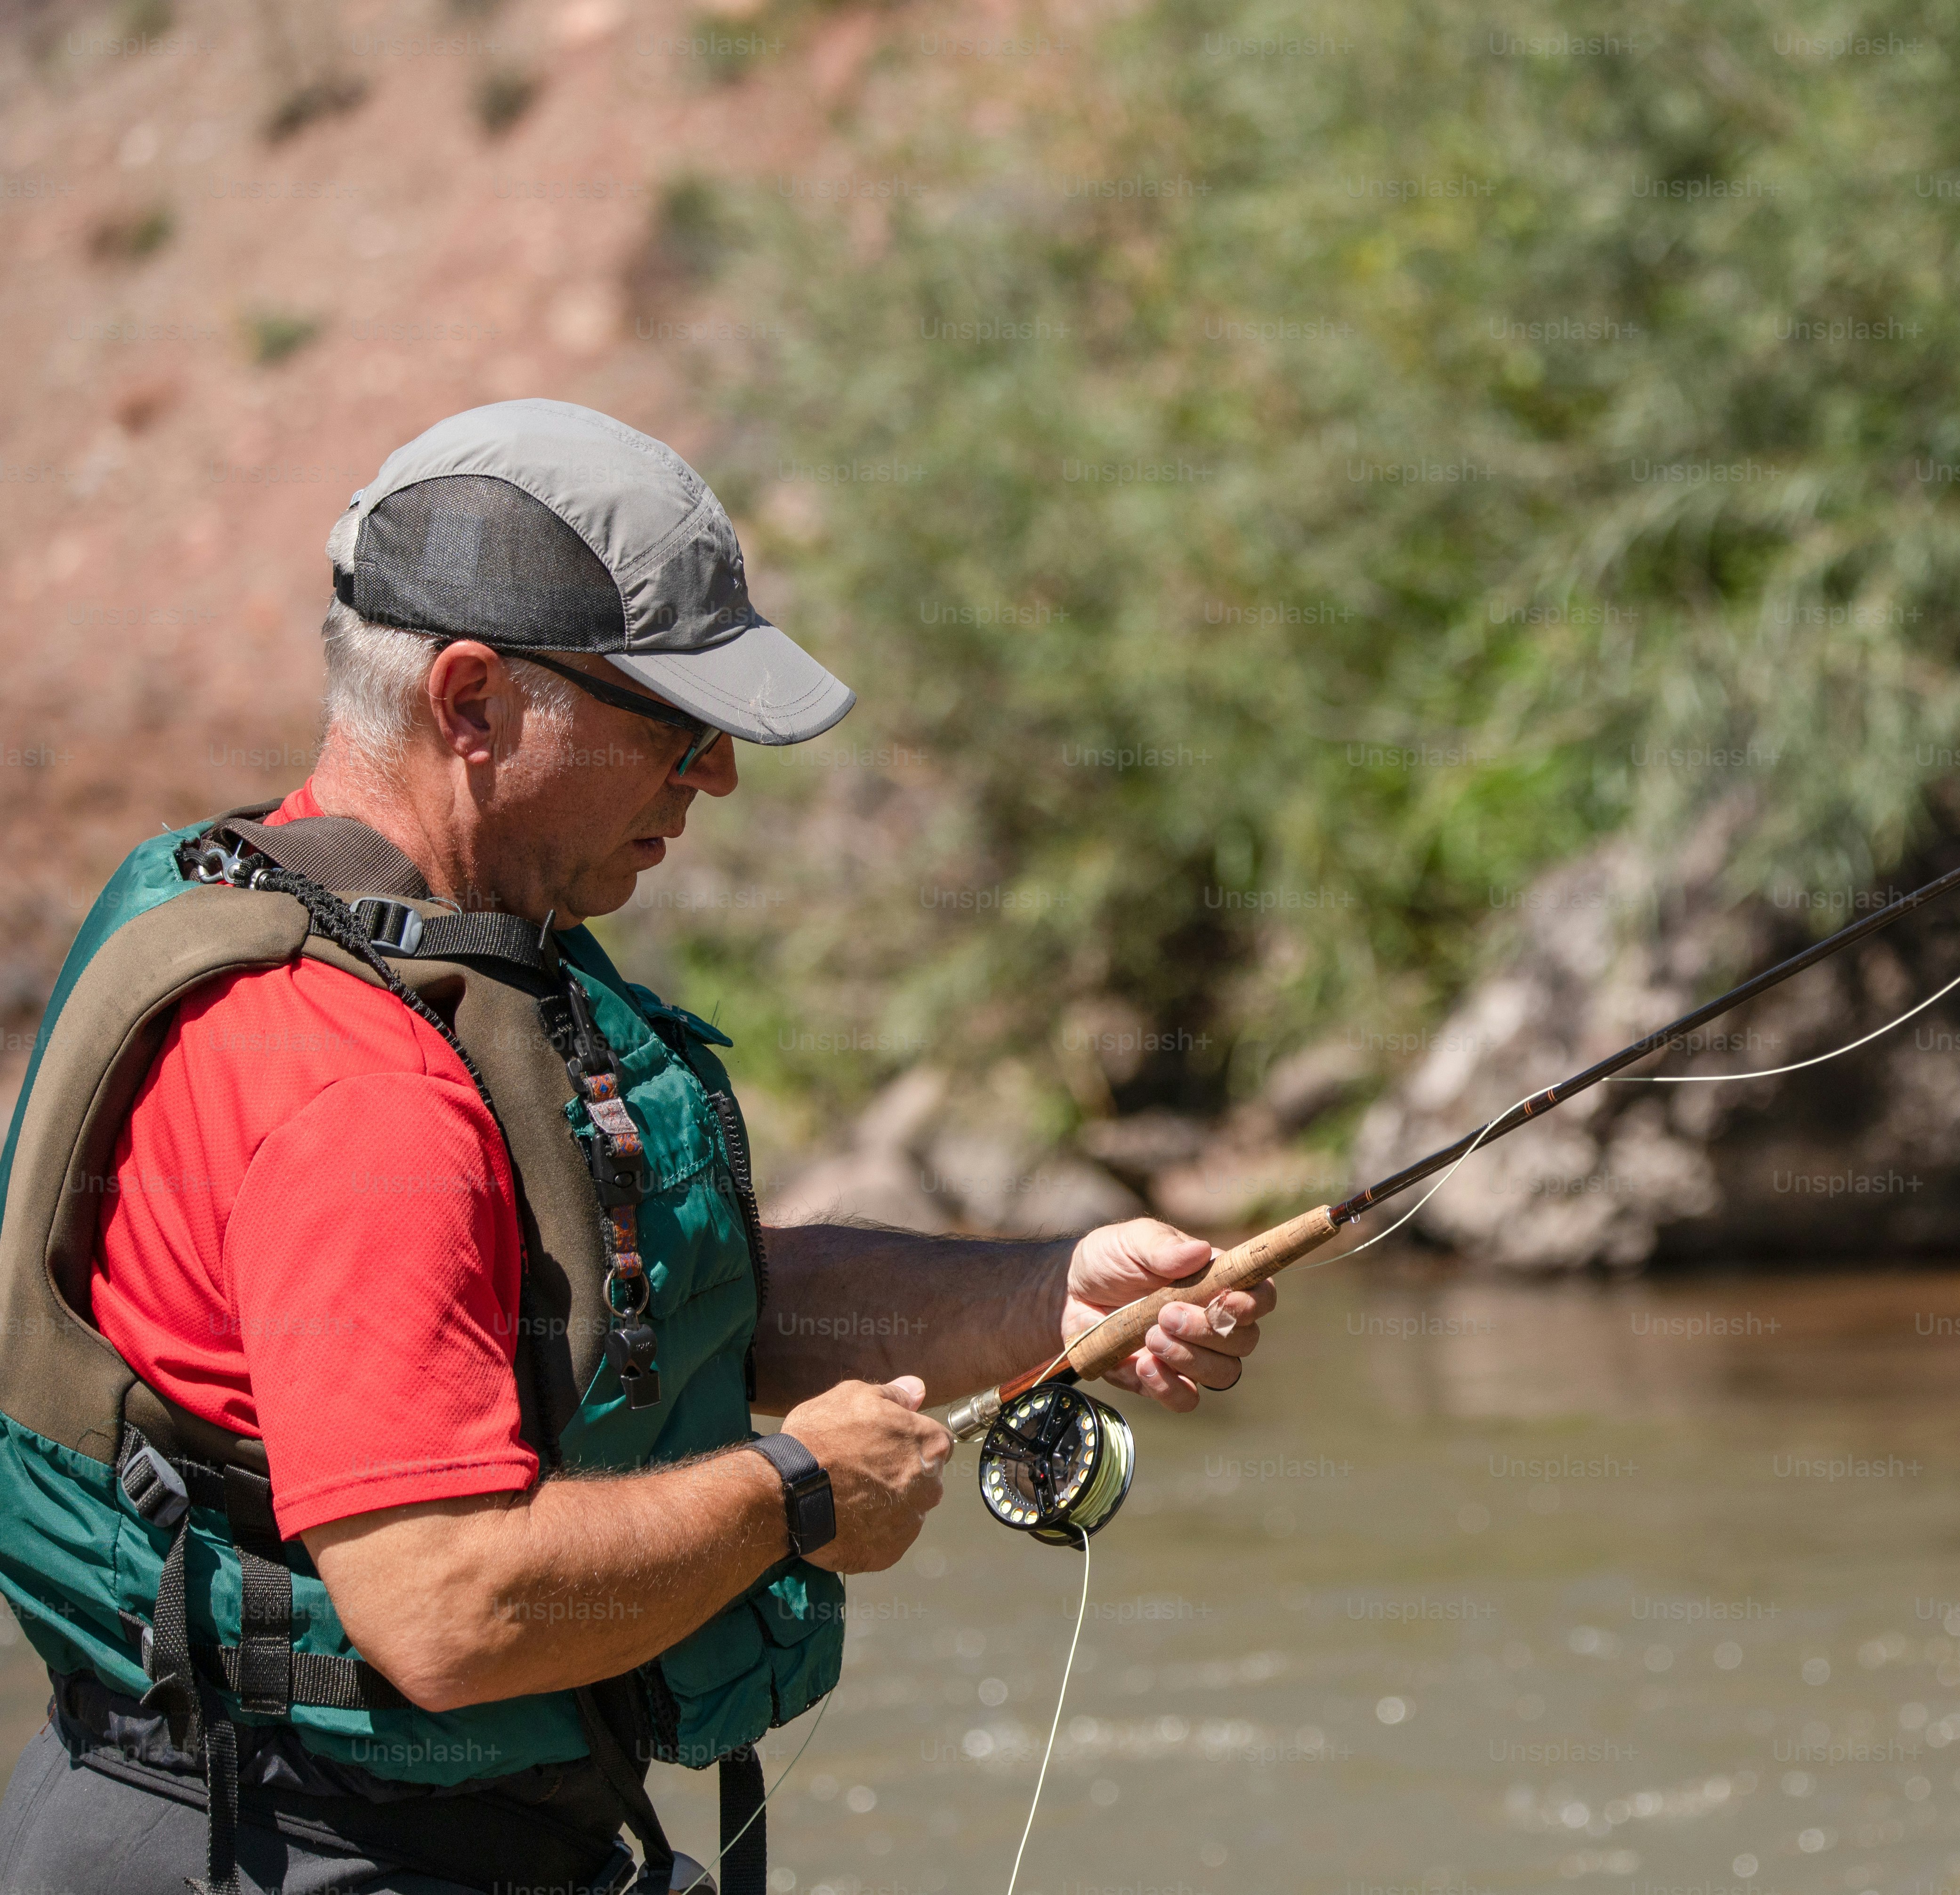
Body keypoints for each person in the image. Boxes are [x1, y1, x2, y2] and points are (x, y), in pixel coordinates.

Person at [0, 399, 1271, 1894]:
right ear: (470, 701)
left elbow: (635, 1318)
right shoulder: (351, 1087)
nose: (716, 777)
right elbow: (444, 1605)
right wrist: (796, 1493)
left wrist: (1046, 1293)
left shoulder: (434, 942)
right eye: (674, 728)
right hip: (298, 1849)